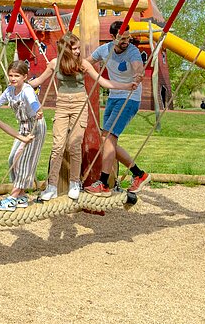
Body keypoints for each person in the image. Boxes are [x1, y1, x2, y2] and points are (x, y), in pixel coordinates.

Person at [31, 32, 138, 201]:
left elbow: (102, 82)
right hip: (62, 105)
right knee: (57, 146)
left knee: (75, 145)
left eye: (79, 48)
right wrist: (20, 83)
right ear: (65, 49)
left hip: (80, 104)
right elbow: (38, 81)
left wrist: (126, 86)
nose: (78, 51)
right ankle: (51, 186)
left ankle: (74, 183)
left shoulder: (83, 64)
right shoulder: (54, 64)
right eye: (74, 48)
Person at [84, 19, 149, 195]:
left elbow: (138, 68)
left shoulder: (133, 52)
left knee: (108, 139)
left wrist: (137, 77)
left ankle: (104, 184)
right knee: (107, 140)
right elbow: (86, 62)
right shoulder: (104, 50)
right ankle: (139, 174)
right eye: (122, 39)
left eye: (127, 38)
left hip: (129, 98)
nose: (126, 42)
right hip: (114, 96)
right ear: (112, 37)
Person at [0, 60, 47, 211]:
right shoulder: (9, 91)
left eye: (16, 76)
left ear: (24, 77)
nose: (13, 78)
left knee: (25, 162)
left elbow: (32, 102)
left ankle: (12, 197)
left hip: (35, 128)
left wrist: (38, 110)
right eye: (11, 75)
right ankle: (21, 196)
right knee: (13, 158)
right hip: (23, 127)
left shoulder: (27, 90)